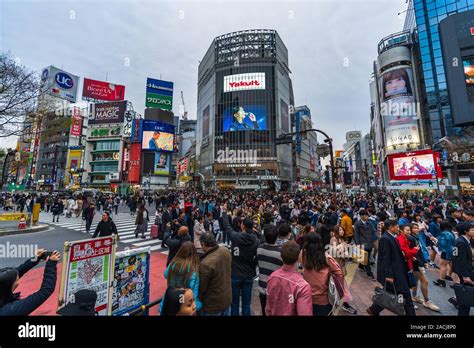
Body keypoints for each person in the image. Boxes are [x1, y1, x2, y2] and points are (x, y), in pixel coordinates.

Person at [367, 219, 416, 316]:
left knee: (390, 294)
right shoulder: (385, 239)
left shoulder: (391, 237)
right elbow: (385, 259)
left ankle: (374, 310)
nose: (398, 229)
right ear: (390, 227)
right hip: (394, 273)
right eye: (397, 227)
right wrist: (389, 275)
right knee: (406, 297)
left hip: (398, 272)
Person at [222, 204, 259, 316]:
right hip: (248, 273)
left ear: (242, 226)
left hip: (235, 273)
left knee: (234, 303)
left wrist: (224, 212)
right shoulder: (256, 241)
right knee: (247, 304)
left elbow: (227, 226)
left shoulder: (235, 237)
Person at [0, 249, 60, 316]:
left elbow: (16, 272)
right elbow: (45, 291)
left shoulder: (3, 286)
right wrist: (51, 264)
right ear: (9, 285)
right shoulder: (11, 310)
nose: (18, 278)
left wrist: (35, 258)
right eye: (16, 279)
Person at [301, 232, 345, 316]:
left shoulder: (303, 255)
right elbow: (339, 273)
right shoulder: (326, 258)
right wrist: (338, 289)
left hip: (306, 297)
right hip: (323, 300)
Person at [266, 241, 313, 316]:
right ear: (298, 257)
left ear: (281, 256)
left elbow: (268, 309)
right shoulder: (303, 286)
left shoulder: (272, 277)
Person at [160, 242, 202, 314]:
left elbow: (165, 275)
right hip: (183, 303)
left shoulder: (173, 263)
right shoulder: (193, 270)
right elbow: (193, 291)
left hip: (170, 299)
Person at [408, 223, 440, 312]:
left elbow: (420, 251)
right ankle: (427, 301)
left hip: (418, 262)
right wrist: (421, 262)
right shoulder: (411, 238)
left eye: (417, 228)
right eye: (414, 228)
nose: (417, 229)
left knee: (416, 280)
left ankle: (414, 296)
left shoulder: (416, 237)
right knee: (425, 282)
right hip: (416, 264)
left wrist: (424, 261)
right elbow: (413, 253)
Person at [198, 233, 232, 316]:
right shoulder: (225, 250)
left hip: (212, 305)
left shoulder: (206, 263)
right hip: (226, 298)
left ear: (203, 244)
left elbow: (202, 288)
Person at [256, 224, 283, 316]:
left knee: (264, 311)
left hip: (262, 287)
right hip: (275, 289)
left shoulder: (259, 248)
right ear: (277, 236)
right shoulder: (280, 253)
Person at [452, 222, 474, 316]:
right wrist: (465, 276)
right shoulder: (461, 242)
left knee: (466, 299)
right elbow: (460, 260)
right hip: (466, 273)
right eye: (472, 230)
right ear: (466, 231)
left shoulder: (464, 241)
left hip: (467, 271)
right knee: (466, 299)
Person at [433, 221, 457, 287]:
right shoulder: (451, 232)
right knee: (452, 265)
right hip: (452, 251)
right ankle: (455, 281)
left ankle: (441, 280)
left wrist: (436, 241)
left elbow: (443, 244)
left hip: (447, 251)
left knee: (443, 265)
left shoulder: (445, 234)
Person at [354, 210, 376, 280]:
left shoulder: (370, 223)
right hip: (363, 243)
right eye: (366, 215)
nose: (367, 217)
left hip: (369, 243)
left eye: (367, 215)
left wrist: (377, 238)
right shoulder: (357, 224)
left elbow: (374, 231)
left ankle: (360, 266)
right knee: (366, 259)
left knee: (366, 257)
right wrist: (358, 244)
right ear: (362, 216)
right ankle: (370, 274)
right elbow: (356, 235)